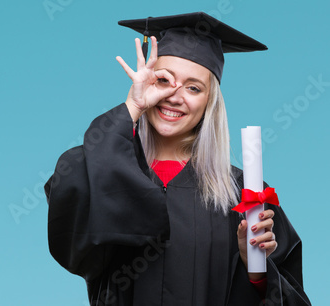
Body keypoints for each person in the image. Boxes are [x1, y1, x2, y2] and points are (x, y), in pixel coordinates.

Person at [44, 12, 311, 305]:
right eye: (163, 80)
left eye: (194, 87)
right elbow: (72, 233)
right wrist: (132, 106)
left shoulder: (244, 193)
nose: (175, 96)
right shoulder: (108, 174)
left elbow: (293, 300)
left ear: (210, 102)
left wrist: (257, 271)